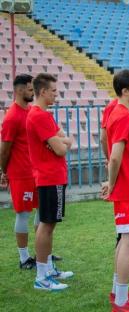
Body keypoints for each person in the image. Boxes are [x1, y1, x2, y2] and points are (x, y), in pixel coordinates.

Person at [101, 70, 129, 311]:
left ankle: (119, 291)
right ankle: (120, 302)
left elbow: (103, 140)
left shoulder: (117, 110)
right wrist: (111, 182)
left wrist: (111, 181)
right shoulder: (123, 115)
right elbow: (116, 157)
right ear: (125, 91)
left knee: (125, 240)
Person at [26, 73, 73, 291]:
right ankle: (42, 277)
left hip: (53, 176)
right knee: (46, 225)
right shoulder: (39, 116)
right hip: (49, 176)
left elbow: (64, 139)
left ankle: (48, 269)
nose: (56, 94)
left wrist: (60, 141)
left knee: (49, 224)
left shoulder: (44, 114)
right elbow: (62, 147)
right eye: (53, 90)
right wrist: (61, 142)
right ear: (43, 91)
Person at [100, 98, 129, 260]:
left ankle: (118, 286)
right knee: (128, 239)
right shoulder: (120, 113)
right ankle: (120, 286)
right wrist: (112, 174)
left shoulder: (124, 111)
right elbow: (107, 142)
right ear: (126, 91)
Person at [0, 74, 38, 269]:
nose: (33, 92)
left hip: (37, 172)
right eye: (31, 89)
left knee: (43, 211)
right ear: (19, 90)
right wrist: (4, 171)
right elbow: (4, 149)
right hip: (21, 173)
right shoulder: (12, 117)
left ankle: (42, 253)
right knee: (23, 214)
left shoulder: (31, 111)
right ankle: (24, 258)